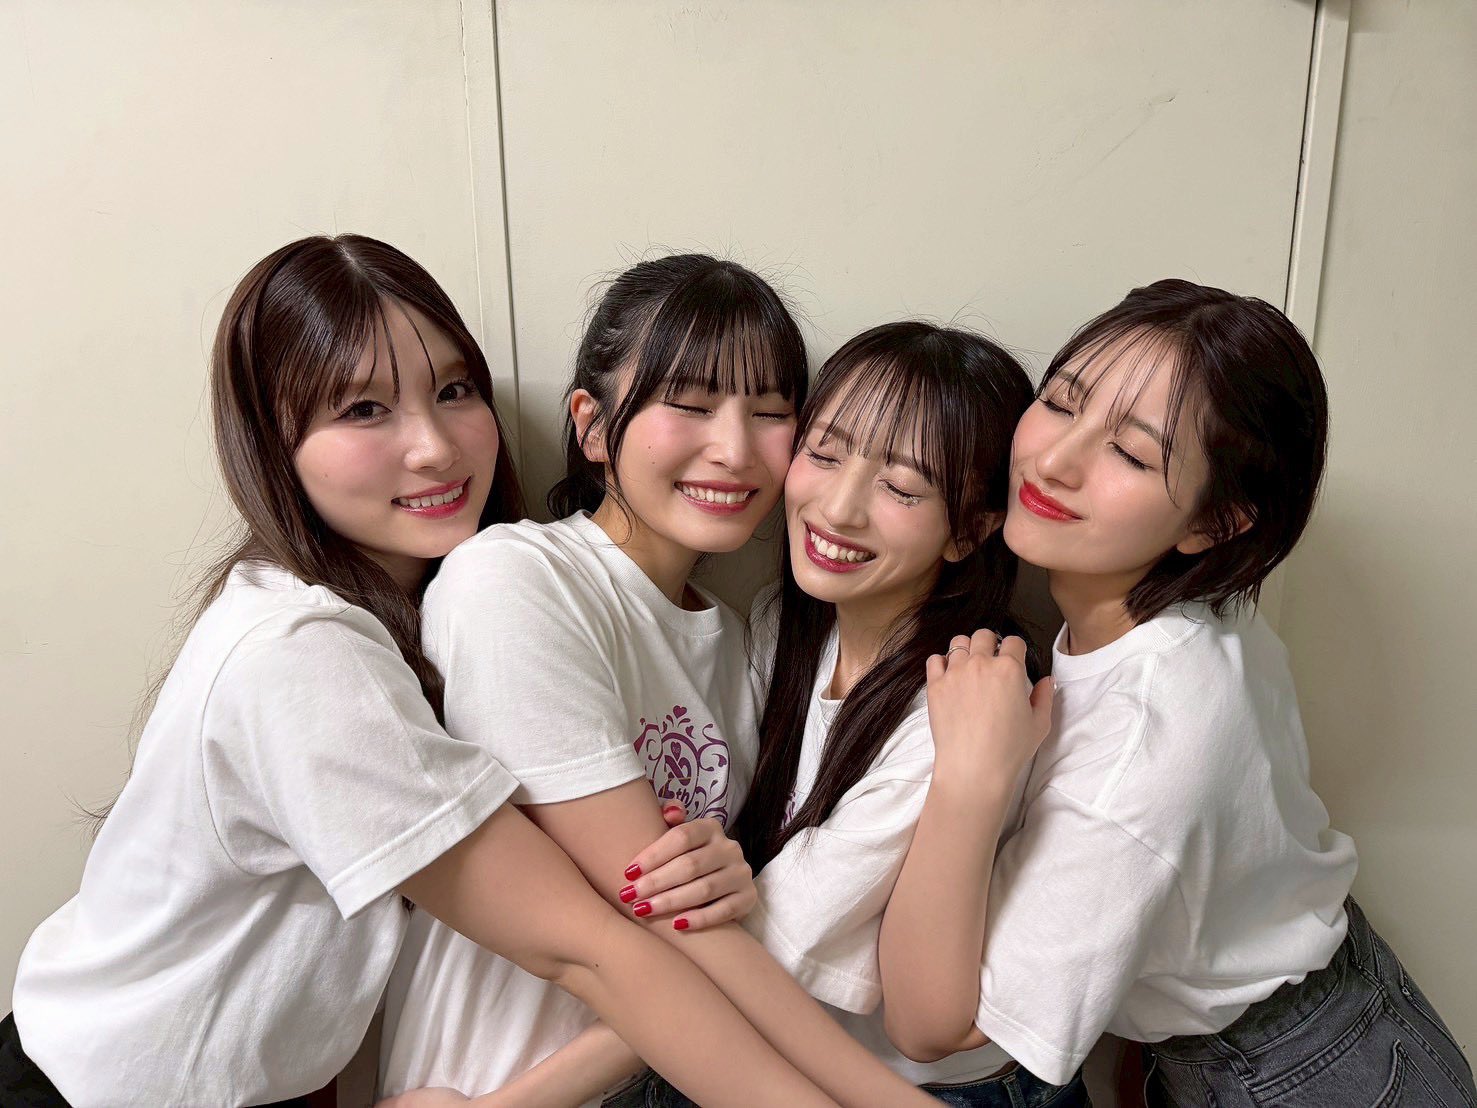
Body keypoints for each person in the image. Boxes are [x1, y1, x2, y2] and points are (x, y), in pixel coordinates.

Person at [1, 236, 841, 1108]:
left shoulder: (426, 617)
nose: (435, 448)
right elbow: (588, 948)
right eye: (364, 409)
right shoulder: (300, 651)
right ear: (273, 442)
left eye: (453, 391)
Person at [877, 280, 1477, 1106]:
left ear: (1214, 523)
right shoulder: (1198, 611)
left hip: (1297, 1081)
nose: (1051, 460)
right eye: (1060, 402)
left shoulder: (1142, 753)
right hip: (1338, 1012)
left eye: (1129, 454)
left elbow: (928, 1027)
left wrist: (965, 780)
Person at [378, 256, 941, 1108]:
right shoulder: (515, 580)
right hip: (484, 1082)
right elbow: (649, 921)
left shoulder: (745, 644)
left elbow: (700, 926)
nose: (734, 450)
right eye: (689, 403)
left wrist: (733, 879)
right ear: (593, 426)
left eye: (770, 413)